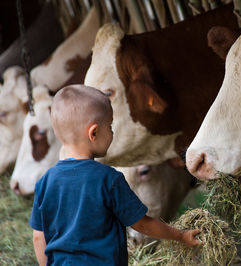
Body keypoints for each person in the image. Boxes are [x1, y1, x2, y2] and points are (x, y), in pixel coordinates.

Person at [29, 84, 201, 266]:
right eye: (110, 126)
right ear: (93, 132)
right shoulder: (109, 180)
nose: (112, 132)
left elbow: (39, 237)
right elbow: (142, 224)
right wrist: (180, 235)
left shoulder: (45, 183)